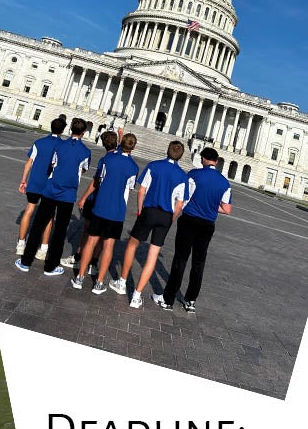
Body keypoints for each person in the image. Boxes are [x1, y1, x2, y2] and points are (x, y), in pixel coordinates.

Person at [108, 141, 189, 308]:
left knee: (132, 244)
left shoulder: (154, 166)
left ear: (167, 150)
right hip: (166, 216)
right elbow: (179, 205)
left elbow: (142, 190)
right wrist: (171, 219)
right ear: (181, 156)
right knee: (153, 255)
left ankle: (122, 282)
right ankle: (136, 296)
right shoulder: (182, 176)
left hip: (149, 210)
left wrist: (140, 209)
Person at [154, 147, 232, 312]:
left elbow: (184, 197)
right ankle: (190, 300)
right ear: (216, 161)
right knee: (199, 262)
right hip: (207, 224)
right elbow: (227, 209)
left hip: (190, 220)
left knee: (180, 259)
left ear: (203, 159)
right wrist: (212, 207)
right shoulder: (224, 182)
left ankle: (168, 299)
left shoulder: (194, 174)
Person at [15, 117, 91, 275]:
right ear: (84, 132)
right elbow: (83, 169)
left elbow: (53, 164)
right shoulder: (86, 152)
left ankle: (26, 261)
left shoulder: (60, 145)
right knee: (60, 230)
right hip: (68, 194)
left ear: (70, 129)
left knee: (38, 225)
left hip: (50, 190)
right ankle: (50, 266)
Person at [70, 133, 139, 293]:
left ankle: (80, 277)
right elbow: (129, 189)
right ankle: (99, 283)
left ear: (121, 143)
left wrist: (84, 197)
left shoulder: (108, 159)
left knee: (91, 241)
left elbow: (98, 179)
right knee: (108, 245)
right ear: (134, 147)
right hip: (117, 211)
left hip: (100, 206)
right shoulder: (134, 167)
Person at [61, 130, 119, 273]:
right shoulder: (120, 157)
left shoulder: (105, 160)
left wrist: (84, 197)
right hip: (112, 203)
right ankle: (93, 262)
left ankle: (78, 256)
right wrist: (121, 134)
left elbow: (96, 182)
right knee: (102, 235)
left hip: (97, 199)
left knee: (88, 231)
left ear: (103, 144)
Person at [16, 118, 66, 259]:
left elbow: (29, 163)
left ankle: (21, 244)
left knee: (29, 210)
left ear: (51, 127)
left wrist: (23, 180)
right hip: (50, 185)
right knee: (49, 216)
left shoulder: (39, 142)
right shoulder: (63, 146)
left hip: (35, 182)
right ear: (63, 130)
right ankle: (43, 248)